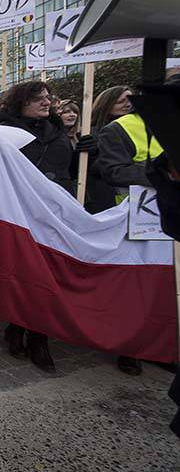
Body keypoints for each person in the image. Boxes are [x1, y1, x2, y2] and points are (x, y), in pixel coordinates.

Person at [0, 81, 73, 373]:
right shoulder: (2, 134)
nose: (46, 101)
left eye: (48, 96)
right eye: (38, 98)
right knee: (25, 275)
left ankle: (37, 337)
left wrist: (90, 152)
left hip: (53, 217)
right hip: (19, 218)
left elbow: (70, 170)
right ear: (20, 103)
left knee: (48, 274)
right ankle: (21, 328)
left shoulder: (58, 131)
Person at [93, 88, 163, 377]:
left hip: (170, 219)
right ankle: (130, 348)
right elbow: (114, 172)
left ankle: (160, 345)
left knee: (165, 289)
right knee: (138, 289)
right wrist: (164, 174)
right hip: (139, 220)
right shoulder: (119, 128)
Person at [86, 86, 134, 213]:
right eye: (121, 101)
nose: (128, 104)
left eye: (130, 99)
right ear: (106, 105)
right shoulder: (91, 133)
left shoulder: (145, 127)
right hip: (111, 201)